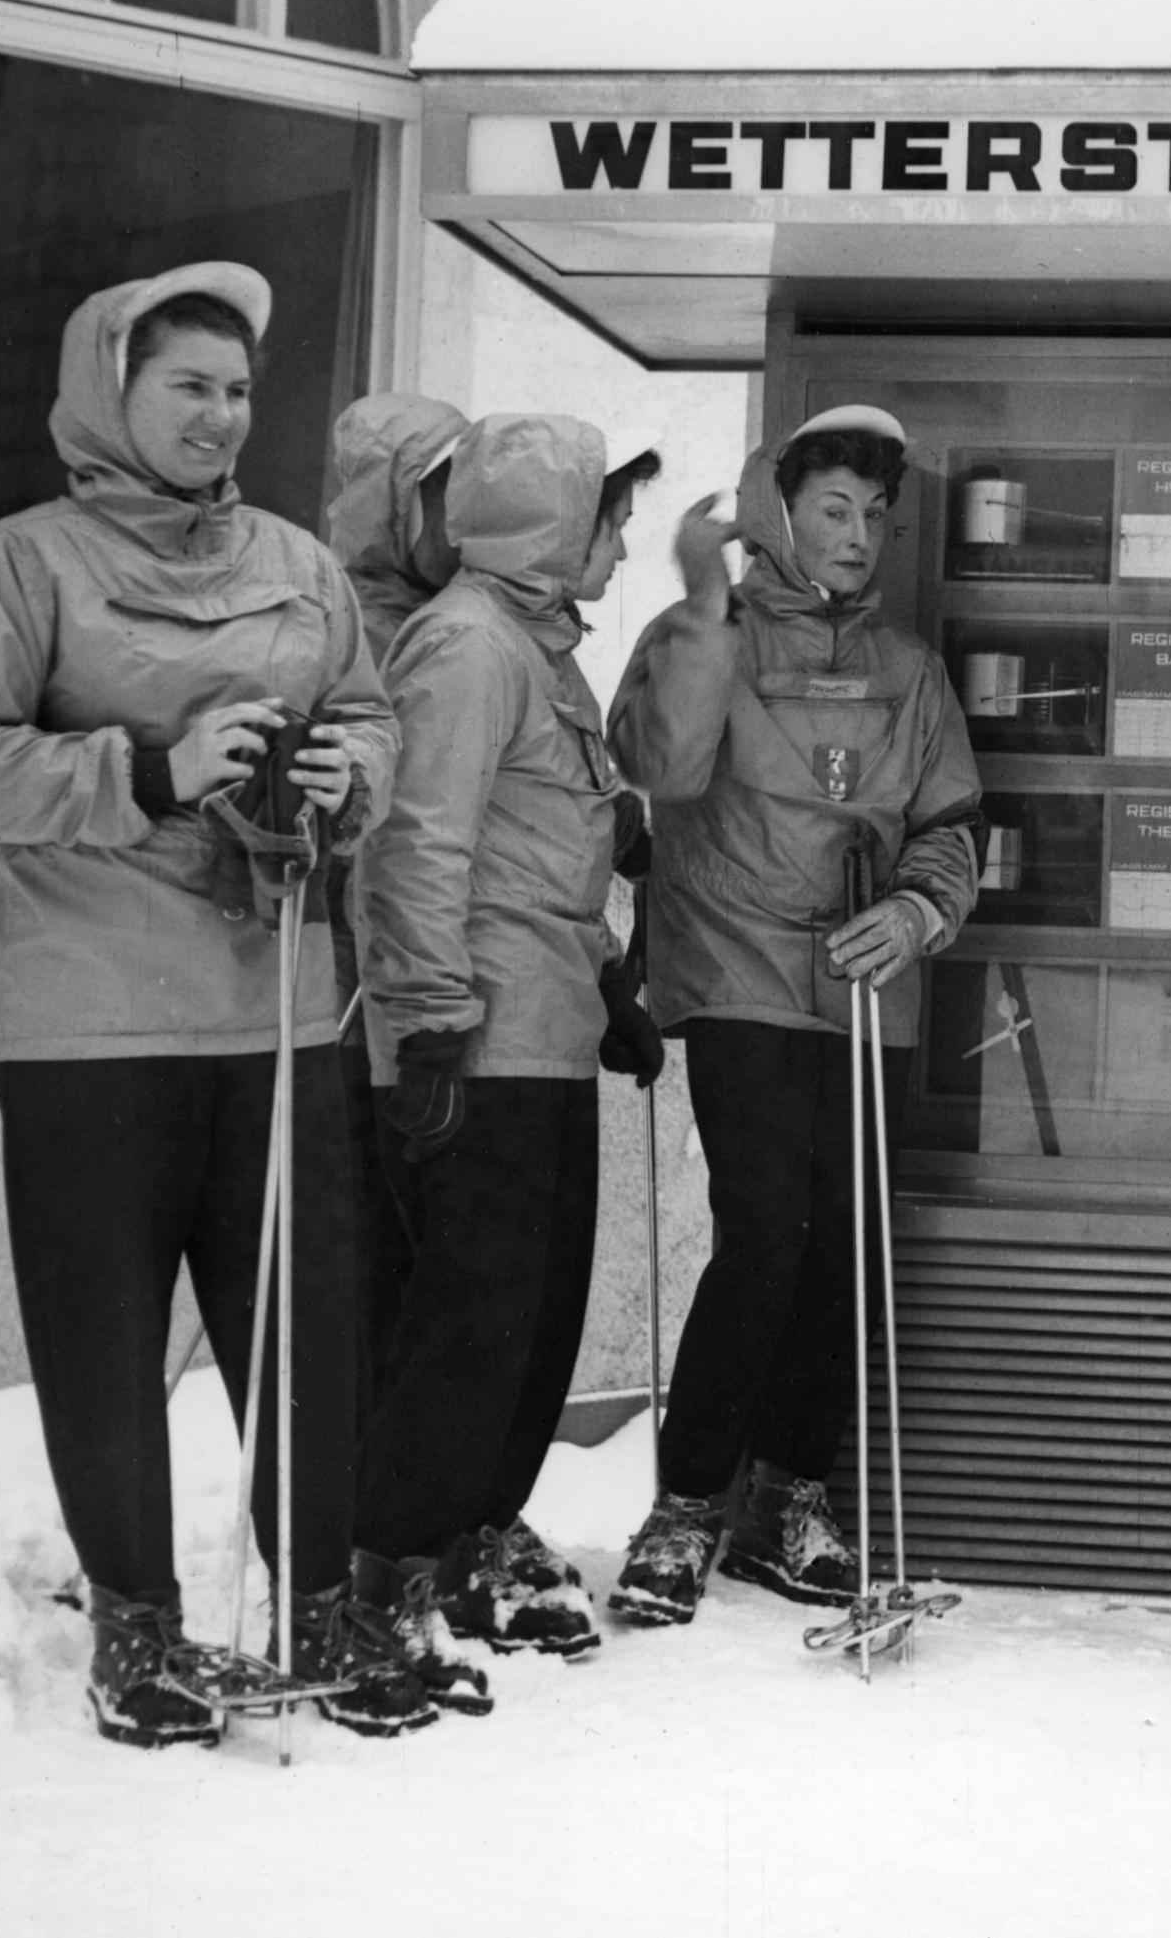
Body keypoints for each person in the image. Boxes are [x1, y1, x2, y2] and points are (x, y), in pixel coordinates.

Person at [0, 263, 425, 1746]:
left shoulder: (298, 561)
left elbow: (373, 708)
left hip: (276, 1005)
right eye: (187, 386)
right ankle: (136, 1630)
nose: (220, 416)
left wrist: (357, 774)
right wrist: (146, 770)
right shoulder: (14, 566)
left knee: (305, 1331)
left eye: (238, 391)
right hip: (94, 1024)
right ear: (110, 390)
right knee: (103, 1335)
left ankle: (321, 1603)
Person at [606, 405, 981, 1626]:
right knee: (765, 1230)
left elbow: (949, 828)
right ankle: (683, 1505)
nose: (860, 535)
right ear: (779, 512)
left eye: (875, 514)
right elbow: (660, 767)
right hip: (735, 970)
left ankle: (787, 1497)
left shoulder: (908, 670)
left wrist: (922, 916)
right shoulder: (692, 631)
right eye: (833, 508)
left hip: (864, 983)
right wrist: (709, 608)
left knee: (839, 1247)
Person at [353, 415, 663, 1684]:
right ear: (552, 523)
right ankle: (379, 1581)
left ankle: (472, 1537)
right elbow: (417, 843)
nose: (624, 537)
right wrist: (428, 1025)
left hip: (541, 1030)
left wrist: (608, 986)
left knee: (534, 1324)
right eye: (612, 513)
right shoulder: (470, 647)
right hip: (473, 1040)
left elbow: (546, 858)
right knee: (469, 1328)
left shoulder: (541, 651)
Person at [322, 393, 468, 1428]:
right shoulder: (329, 627)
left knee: (442, 1257)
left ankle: (434, 1510)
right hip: (349, 992)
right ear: (388, 503)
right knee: (371, 1249)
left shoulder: (459, 622)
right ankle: (376, 1509)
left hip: (439, 988)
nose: (461, 523)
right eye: (439, 497)